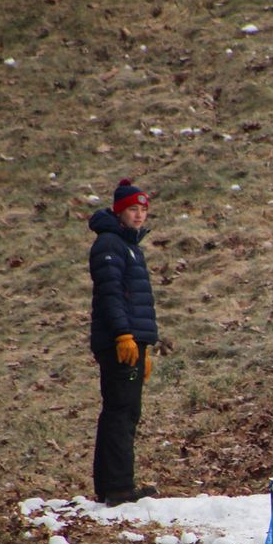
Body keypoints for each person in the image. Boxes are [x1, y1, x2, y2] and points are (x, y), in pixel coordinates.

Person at [88, 179, 160, 505]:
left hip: (131, 338)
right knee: (122, 410)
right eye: (133, 209)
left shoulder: (129, 246)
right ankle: (118, 487)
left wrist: (143, 344)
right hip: (121, 339)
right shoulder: (110, 245)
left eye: (143, 210)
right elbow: (111, 294)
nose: (139, 215)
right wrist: (123, 335)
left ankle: (111, 484)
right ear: (119, 212)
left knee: (123, 409)